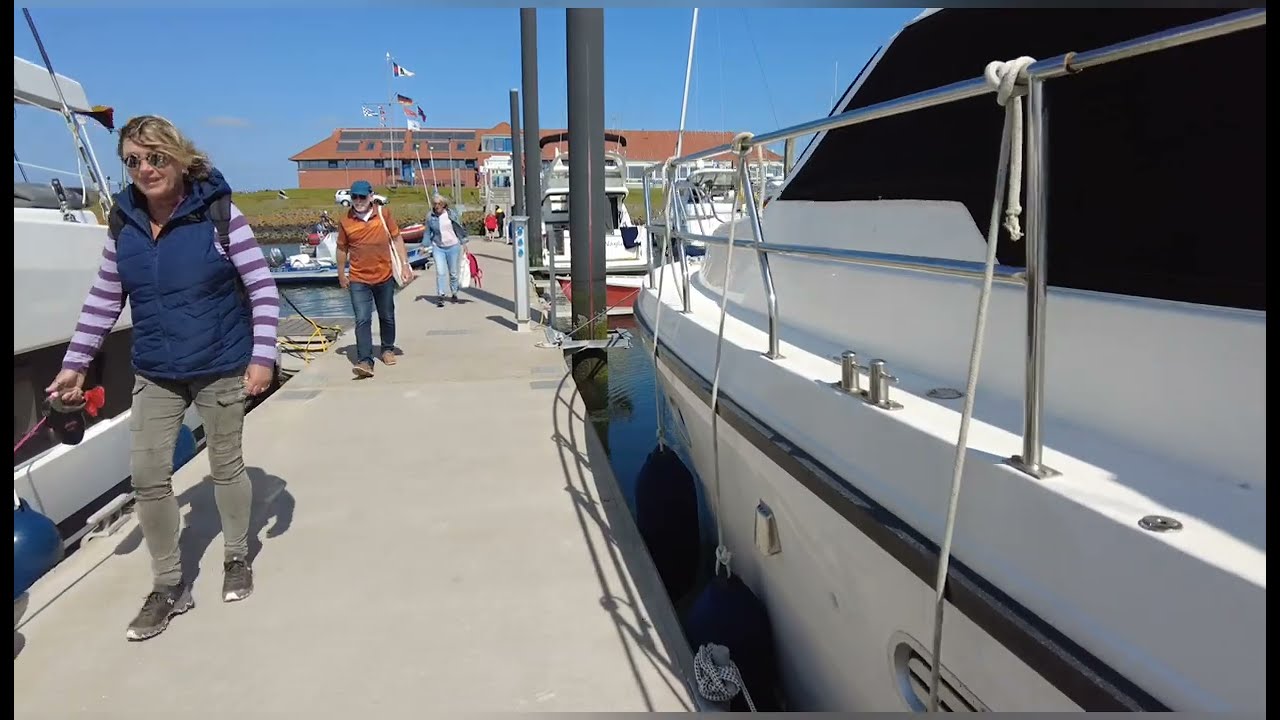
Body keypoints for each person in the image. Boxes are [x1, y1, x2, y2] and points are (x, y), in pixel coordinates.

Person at [44, 114, 281, 641]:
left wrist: (262, 356)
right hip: (155, 369)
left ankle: (238, 556)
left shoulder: (219, 214)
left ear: (180, 157)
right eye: (133, 160)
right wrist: (75, 364)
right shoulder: (124, 221)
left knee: (225, 467)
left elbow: (262, 288)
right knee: (148, 477)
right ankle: (169, 585)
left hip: (222, 362)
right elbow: (105, 300)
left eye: (156, 157)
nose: (146, 168)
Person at [335, 180, 414, 378]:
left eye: (362, 196)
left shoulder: (383, 214)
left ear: (371, 196)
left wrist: (405, 265)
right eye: (355, 197)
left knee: (386, 315)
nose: (359, 200)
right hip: (358, 278)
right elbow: (342, 248)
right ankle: (365, 361)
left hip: (384, 274)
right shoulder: (345, 221)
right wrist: (341, 273)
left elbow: (396, 238)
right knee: (362, 319)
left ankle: (387, 349)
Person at [426, 194, 469, 307]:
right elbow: (427, 232)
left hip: (453, 246)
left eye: (439, 204)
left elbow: (459, 228)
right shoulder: (430, 216)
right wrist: (424, 246)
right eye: (435, 204)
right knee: (440, 272)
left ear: (444, 204)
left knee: (453, 272)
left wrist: (464, 243)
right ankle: (441, 295)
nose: (437, 206)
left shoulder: (451, 214)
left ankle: (454, 292)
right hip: (438, 246)